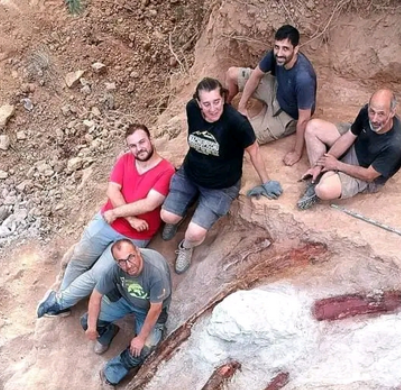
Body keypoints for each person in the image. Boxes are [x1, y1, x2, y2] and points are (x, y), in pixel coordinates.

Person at [37, 124, 175, 317]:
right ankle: (65, 301)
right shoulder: (125, 160)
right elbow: (112, 190)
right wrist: (129, 217)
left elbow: (150, 204)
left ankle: (59, 303)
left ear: (150, 139)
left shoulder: (165, 170)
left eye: (142, 142)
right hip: (108, 220)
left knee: (98, 274)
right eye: (133, 145)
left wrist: (119, 214)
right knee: (79, 258)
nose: (139, 148)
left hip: (133, 235)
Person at [159, 77, 280, 274]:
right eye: (206, 104)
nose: (213, 108)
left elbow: (254, 150)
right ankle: (181, 214)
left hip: (220, 186)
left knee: (195, 233)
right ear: (198, 103)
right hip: (190, 173)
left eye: (216, 102)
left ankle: (186, 246)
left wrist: (266, 181)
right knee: (167, 216)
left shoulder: (236, 123)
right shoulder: (191, 109)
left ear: (223, 98)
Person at [296, 89, 401, 210]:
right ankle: (320, 173)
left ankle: (321, 180)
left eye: (381, 114)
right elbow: (350, 136)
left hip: (366, 172)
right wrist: (321, 164)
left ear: (392, 112)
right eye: (372, 112)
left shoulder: (396, 145)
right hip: (357, 146)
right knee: (313, 127)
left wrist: (337, 165)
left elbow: (369, 175)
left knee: (323, 190)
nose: (375, 119)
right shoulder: (366, 111)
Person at [81, 239, 171, 387]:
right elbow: (96, 295)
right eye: (122, 262)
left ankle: (110, 373)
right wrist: (91, 327)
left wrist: (141, 338)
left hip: (149, 310)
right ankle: (107, 334)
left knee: (141, 350)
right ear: (116, 262)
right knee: (88, 320)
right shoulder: (116, 269)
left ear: (137, 251)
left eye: (131, 257)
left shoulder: (155, 272)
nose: (128, 265)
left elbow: (155, 309)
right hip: (125, 299)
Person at [224, 24, 317, 167]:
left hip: (287, 114)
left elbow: (304, 119)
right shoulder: (277, 56)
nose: (279, 53)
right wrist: (242, 107)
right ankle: (227, 104)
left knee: (237, 134)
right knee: (232, 74)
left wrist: (297, 153)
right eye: (277, 47)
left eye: (285, 48)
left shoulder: (303, 78)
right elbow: (255, 76)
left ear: (296, 49)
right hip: (277, 88)